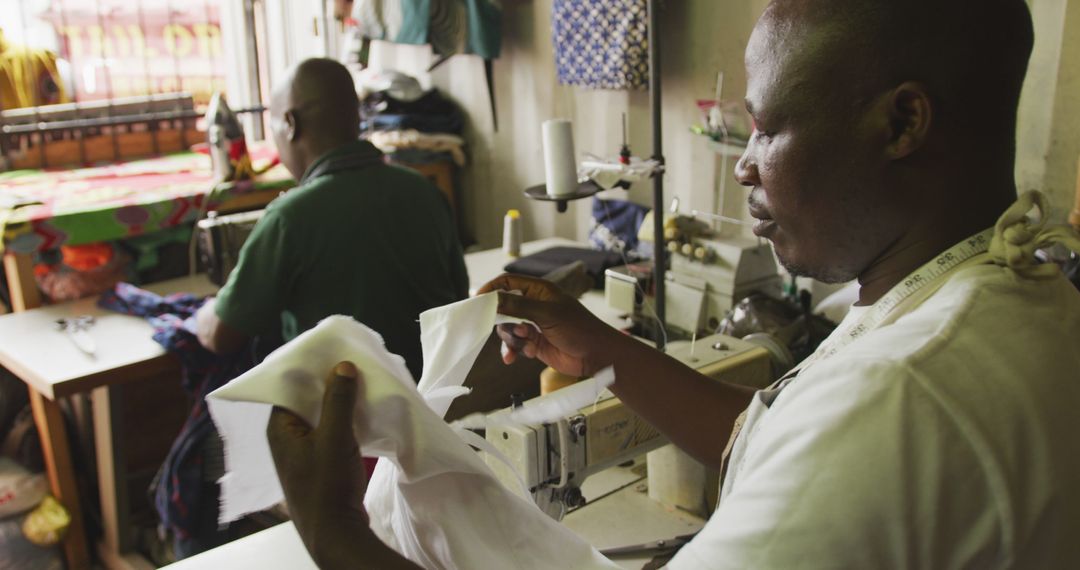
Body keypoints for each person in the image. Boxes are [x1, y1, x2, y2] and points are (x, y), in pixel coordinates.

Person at [267, 0, 1080, 567]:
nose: (747, 164)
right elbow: (774, 442)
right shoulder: (1018, 291)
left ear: (902, 122)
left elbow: (849, 438)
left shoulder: (900, 400)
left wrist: (337, 533)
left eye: (767, 128)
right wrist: (604, 351)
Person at [195, 57, 468, 379]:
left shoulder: (290, 218)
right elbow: (459, 299)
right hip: (429, 403)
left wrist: (205, 310)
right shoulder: (424, 191)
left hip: (342, 416)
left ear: (291, 124)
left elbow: (220, 336)